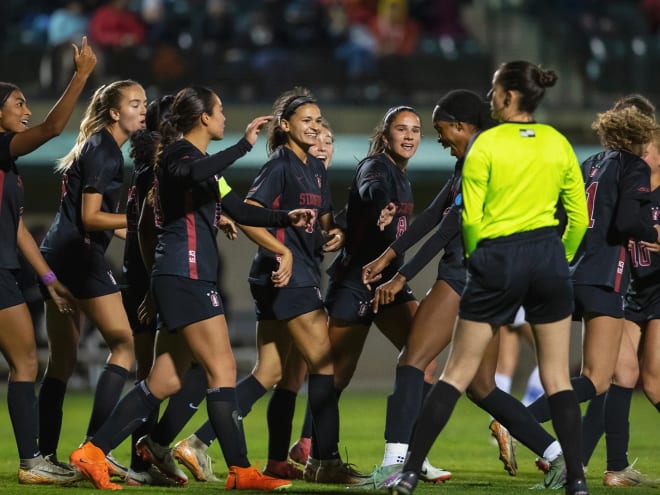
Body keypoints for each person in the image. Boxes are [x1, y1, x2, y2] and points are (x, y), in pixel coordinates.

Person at [68, 85, 314, 491]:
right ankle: (241, 471)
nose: (224, 118)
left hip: (182, 275)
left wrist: (287, 217)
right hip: (187, 274)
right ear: (204, 118)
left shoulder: (199, 161)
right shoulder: (180, 154)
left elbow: (236, 208)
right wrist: (242, 146)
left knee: (164, 380)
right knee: (223, 371)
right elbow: (189, 174)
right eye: (220, 111)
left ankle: (93, 452)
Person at [386, 61, 590, 495]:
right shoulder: (557, 142)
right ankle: (575, 479)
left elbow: (469, 220)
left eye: (495, 90)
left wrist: (481, 261)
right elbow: (579, 217)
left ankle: (405, 472)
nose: (490, 98)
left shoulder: (487, 145)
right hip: (549, 260)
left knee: (455, 375)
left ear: (509, 96)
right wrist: (562, 256)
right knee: (556, 378)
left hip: (496, 260)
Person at [524, 95, 659, 477]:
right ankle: (522, 422)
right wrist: (654, 233)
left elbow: (563, 216)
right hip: (609, 277)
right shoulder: (632, 168)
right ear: (643, 132)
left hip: (579, 274)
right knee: (601, 379)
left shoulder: (590, 165)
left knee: (618, 374)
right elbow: (628, 222)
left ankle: (598, 465)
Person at [37, 79, 147, 478]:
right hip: (79, 256)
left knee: (61, 362)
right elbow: (91, 218)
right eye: (135, 103)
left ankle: (42, 457)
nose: (143, 109)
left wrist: (139, 231)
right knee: (124, 343)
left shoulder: (98, 145)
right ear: (115, 112)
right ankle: (94, 448)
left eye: (145, 102)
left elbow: (111, 225)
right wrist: (141, 220)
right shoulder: (106, 151)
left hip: (58, 254)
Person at [0, 36, 95, 485]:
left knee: (25, 364)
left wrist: (50, 278)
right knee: (25, 365)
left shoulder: (9, 173)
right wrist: (80, 76)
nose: (26, 111)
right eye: (18, 104)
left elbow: (18, 231)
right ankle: (31, 463)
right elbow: (55, 129)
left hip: (7, 270)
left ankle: (34, 459)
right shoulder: (2, 147)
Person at [119, 94, 185, 487]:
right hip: (149, 281)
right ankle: (140, 460)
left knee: (163, 373)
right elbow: (145, 232)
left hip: (150, 279)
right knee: (155, 375)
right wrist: (152, 286)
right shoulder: (157, 170)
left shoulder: (157, 166)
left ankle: (146, 457)